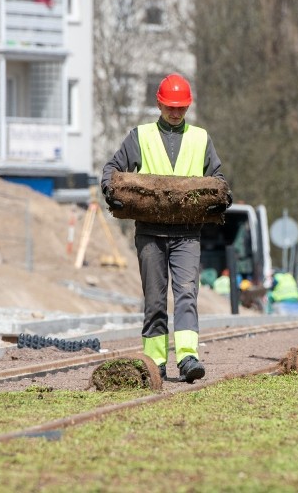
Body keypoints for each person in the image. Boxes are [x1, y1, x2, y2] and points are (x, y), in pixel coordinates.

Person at [101, 73, 230, 383]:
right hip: (149, 233)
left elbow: (219, 181)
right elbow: (112, 170)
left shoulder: (200, 139)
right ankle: (154, 361)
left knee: (187, 294)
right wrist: (110, 191)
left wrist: (222, 200)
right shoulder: (140, 136)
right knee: (155, 299)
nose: (175, 113)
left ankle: (188, 357)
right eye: (171, 107)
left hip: (187, 234)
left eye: (181, 107)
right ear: (159, 104)